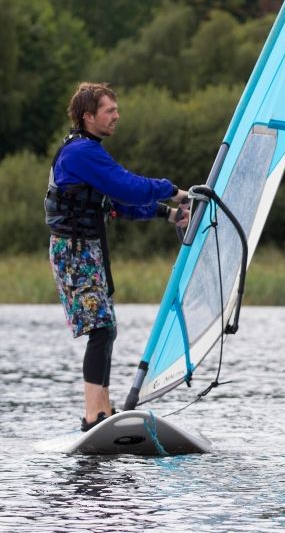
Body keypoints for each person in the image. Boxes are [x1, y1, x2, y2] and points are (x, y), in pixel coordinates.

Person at [46, 82, 190, 432]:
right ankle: (95, 415)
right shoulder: (81, 153)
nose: (117, 116)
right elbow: (127, 186)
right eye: (110, 110)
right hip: (74, 251)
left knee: (105, 329)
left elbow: (117, 204)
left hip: (87, 249)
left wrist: (167, 214)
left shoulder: (88, 152)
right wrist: (172, 190)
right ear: (88, 116)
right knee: (101, 328)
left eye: (116, 109)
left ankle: (101, 412)